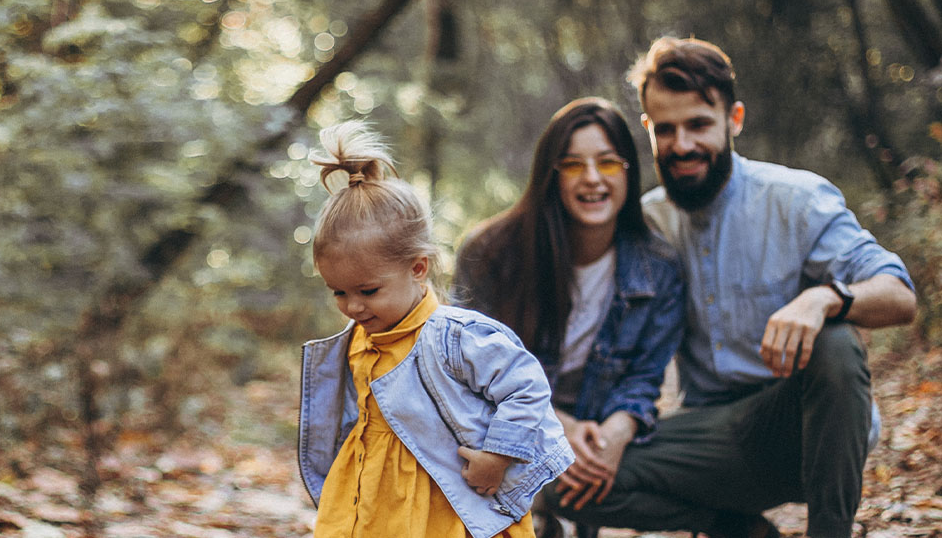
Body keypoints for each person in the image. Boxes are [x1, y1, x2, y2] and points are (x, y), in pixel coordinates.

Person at [553, 37, 918, 538]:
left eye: (699, 124)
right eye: (666, 129)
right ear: (648, 130)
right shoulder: (645, 224)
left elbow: (900, 295)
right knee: (560, 478)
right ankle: (736, 528)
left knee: (835, 342)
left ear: (734, 119)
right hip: (709, 441)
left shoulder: (796, 200)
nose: (682, 145)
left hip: (807, 432)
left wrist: (824, 298)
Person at [297, 121, 575, 538]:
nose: (352, 307)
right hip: (372, 500)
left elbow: (526, 387)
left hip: (443, 506)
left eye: (368, 291)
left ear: (418, 268)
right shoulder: (359, 340)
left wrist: (498, 455)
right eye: (338, 292)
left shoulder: (455, 337)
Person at [452, 98, 686, 535]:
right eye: (574, 165)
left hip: (599, 431)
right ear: (551, 175)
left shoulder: (660, 267)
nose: (593, 179)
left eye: (608, 162)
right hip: (505, 429)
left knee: (667, 468)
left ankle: (729, 524)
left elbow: (643, 379)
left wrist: (615, 434)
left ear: (628, 171)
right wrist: (557, 427)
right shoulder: (491, 253)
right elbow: (464, 372)